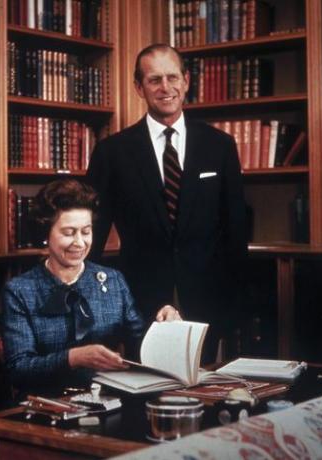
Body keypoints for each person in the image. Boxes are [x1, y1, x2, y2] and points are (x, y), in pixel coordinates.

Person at [87, 43, 248, 360]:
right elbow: (93, 233)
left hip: (207, 300)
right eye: (154, 79)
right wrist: (99, 307)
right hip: (139, 301)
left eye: (173, 77)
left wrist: (233, 309)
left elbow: (236, 233)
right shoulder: (112, 152)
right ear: (139, 87)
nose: (166, 88)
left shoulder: (220, 146)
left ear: (186, 81)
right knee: (144, 394)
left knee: (205, 394)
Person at [2, 178, 180, 397]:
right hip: (47, 406)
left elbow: (140, 344)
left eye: (86, 232)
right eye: (68, 233)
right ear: (45, 234)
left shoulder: (112, 280)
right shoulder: (20, 291)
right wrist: (73, 358)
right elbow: (19, 369)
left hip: (109, 400)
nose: (79, 242)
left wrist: (165, 328)